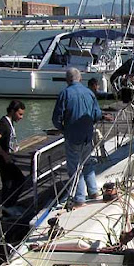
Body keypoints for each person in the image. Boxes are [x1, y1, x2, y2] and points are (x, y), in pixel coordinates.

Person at [52, 68, 109, 207]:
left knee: (75, 167)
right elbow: (96, 114)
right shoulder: (89, 93)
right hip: (87, 135)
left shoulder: (65, 94)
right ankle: (94, 191)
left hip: (73, 135)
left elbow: (56, 118)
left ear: (67, 80)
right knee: (87, 163)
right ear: (80, 78)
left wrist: (63, 128)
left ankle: (80, 198)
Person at [0, 100, 26, 210]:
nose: (21, 117)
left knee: (9, 183)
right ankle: (8, 208)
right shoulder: (3, 124)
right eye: (20, 114)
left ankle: (9, 206)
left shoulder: (9, 122)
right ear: (12, 111)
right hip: (3, 159)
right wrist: (4, 155)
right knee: (17, 181)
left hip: (7, 159)